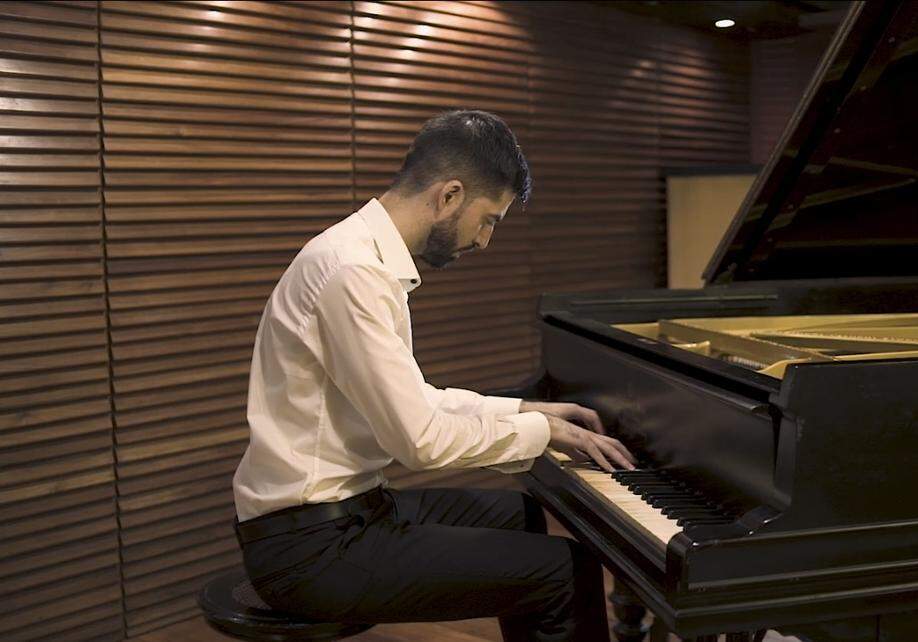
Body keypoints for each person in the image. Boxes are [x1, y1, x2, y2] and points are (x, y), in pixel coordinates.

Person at [231, 109, 636, 642]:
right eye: (488, 219)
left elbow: (415, 400)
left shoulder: (362, 259)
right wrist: (544, 434)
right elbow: (418, 440)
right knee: (566, 571)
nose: (485, 240)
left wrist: (526, 411)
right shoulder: (352, 273)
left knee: (518, 514)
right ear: (449, 196)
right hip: (312, 548)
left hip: (349, 510)